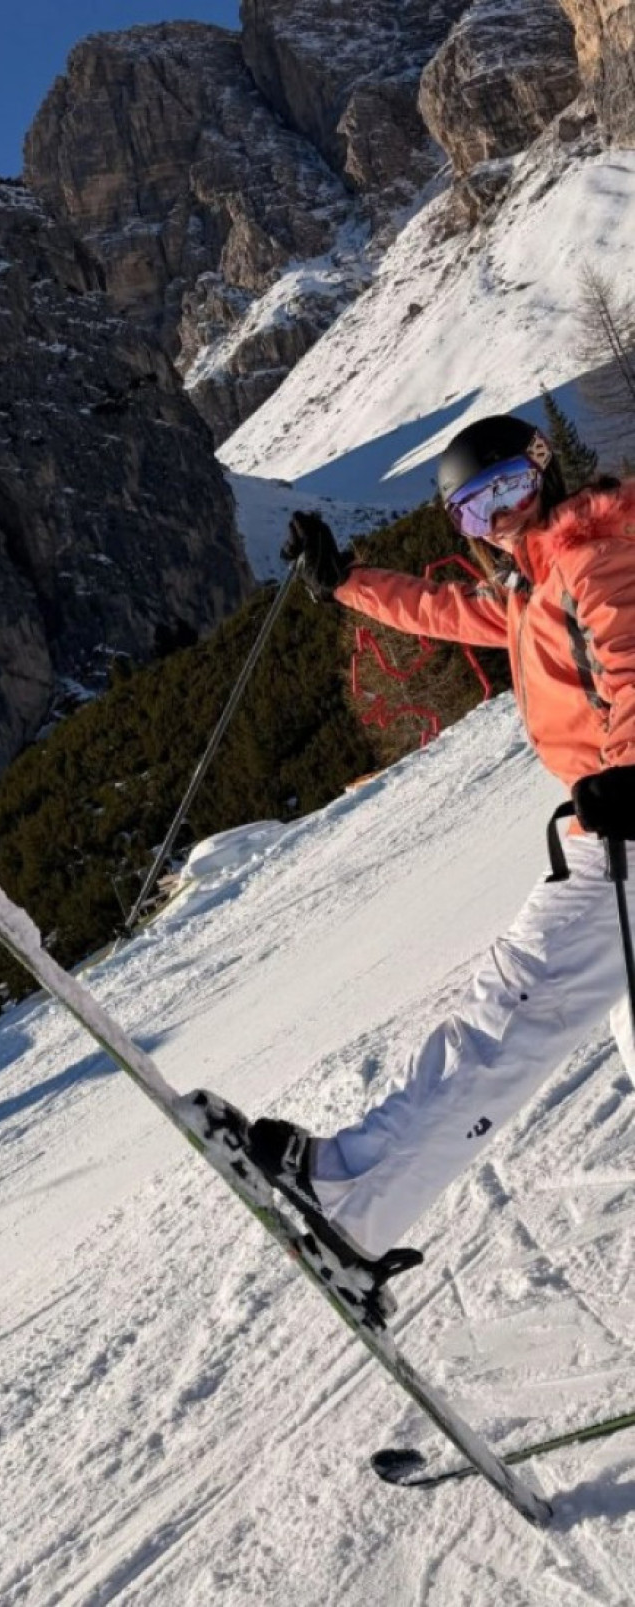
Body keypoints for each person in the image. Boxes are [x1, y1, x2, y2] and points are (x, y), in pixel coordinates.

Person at [181, 414, 635, 1291]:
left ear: (545, 472)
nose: (498, 517)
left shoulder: (592, 555)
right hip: (614, 826)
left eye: (509, 487)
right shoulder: (530, 585)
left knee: (508, 1013)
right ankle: (356, 1190)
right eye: (475, 509)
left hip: (625, 837)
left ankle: (355, 1195)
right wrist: (347, 581)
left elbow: (630, 659)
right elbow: (444, 609)